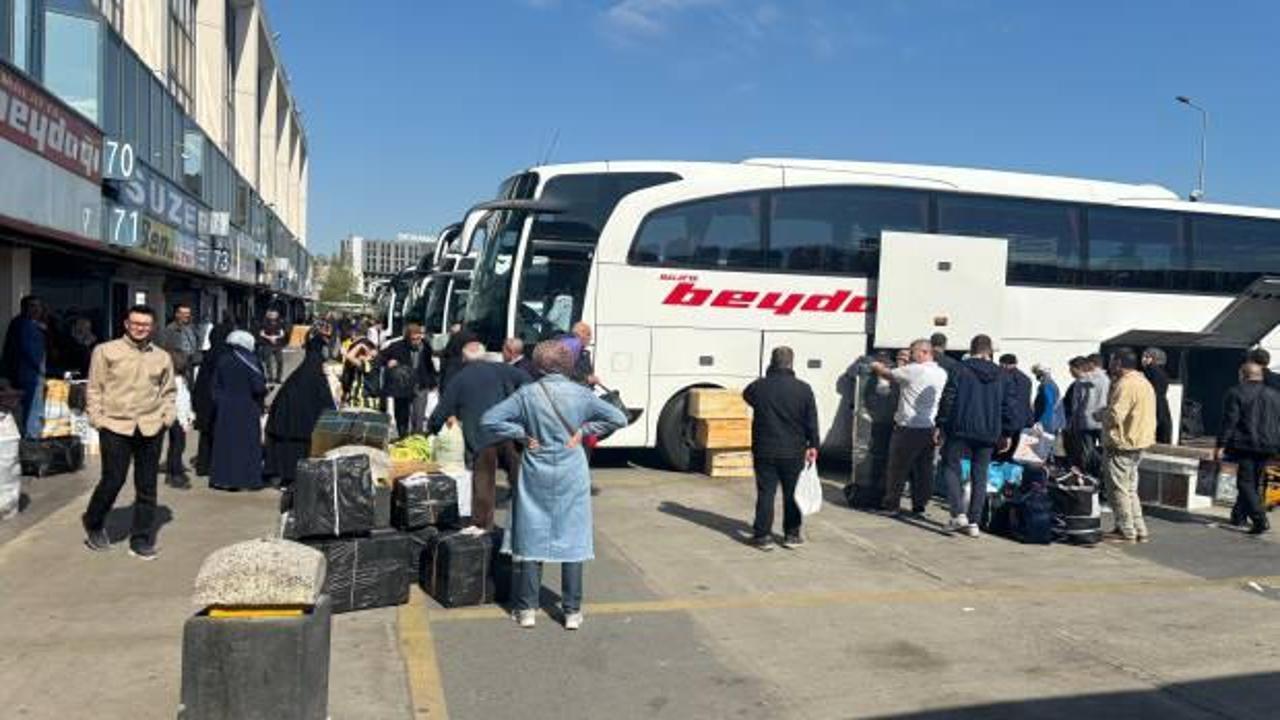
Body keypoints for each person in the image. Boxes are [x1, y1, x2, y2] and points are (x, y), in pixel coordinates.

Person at [479, 340, 627, 630]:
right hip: (572, 470)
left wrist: (521, 434)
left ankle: (527, 609)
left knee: (531, 534)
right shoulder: (581, 393)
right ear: (568, 365)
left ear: (537, 365)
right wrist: (584, 430)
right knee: (573, 537)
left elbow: (489, 419)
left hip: (536, 468)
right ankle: (572, 611)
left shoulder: (527, 393)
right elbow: (619, 418)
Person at [81, 305, 175, 559]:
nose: (140, 328)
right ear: (126, 324)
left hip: (150, 426)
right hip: (115, 425)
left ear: (152, 327)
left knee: (147, 485)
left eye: (145, 324)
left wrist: (167, 417)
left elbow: (168, 391)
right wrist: (97, 418)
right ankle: (93, 521)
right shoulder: (105, 351)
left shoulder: (162, 357)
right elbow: (94, 388)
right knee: (113, 479)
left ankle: (141, 538)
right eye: (135, 323)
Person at [428, 341, 532, 529]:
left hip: (481, 437)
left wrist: (433, 428)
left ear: (464, 358)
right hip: (509, 432)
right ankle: (527, 521)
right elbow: (527, 381)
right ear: (484, 356)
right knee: (519, 480)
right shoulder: (502, 369)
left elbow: (443, 408)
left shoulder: (460, 378)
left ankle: (483, 528)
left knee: (484, 484)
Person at [742, 346, 820, 550]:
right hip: (793, 450)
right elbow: (811, 420)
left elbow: (747, 396)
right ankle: (791, 535)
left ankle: (762, 536)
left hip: (764, 449)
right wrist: (813, 444)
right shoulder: (803, 389)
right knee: (792, 493)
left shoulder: (759, 387)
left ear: (771, 362)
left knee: (766, 493)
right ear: (791, 363)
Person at [936, 334, 1011, 537]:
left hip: (960, 427)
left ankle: (958, 513)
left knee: (950, 466)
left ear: (971, 349)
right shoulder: (1002, 374)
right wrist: (1006, 433)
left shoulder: (959, 369)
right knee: (980, 474)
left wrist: (941, 424)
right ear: (990, 351)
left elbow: (949, 397)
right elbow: (1007, 405)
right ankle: (974, 522)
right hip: (989, 431)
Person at [870, 339, 948, 516]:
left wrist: (875, 365)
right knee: (924, 470)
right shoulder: (941, 373)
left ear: (924, 352)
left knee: (898, 468)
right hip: (928, 427)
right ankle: (920, 505)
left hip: (908, 427)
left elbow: (887, 374)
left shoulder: (915, 370)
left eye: (913, 352)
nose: (911, 356)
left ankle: (891, 505)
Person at [1098, 348, 1157, 544]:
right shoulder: (1143, 382)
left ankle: (1126, 530)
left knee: (1118, 489)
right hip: (1139, 441)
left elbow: (1115, 415)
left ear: (1118, 363)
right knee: (1130, 489)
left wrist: (1100, 415)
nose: (1109, 365)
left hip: (1122, 443)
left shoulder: (1125, 384)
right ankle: (1139, 528)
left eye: (1111, 361)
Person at [264, 334, 337, 487]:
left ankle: (286, 479)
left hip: (288, 428)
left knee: (289, 455)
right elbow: (326, 403)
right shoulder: (317, 377)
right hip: (307, 431)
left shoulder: (296, 376)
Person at [1217, 361, 1280, 535]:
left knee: (1245, 483)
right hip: (1269, 445)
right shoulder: (1275, 395)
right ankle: (1239, 516)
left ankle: (1260, 519)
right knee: (1254, 482)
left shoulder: (1235, 392)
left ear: (1242, 375)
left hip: (1245, 444)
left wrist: (1221, 444)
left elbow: (1230, 421)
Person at [210, 330, 267, 491]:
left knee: (226, 445)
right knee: (247, 446)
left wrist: (221, 402)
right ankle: (248, 480)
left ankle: (223, 479)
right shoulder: (251, 360)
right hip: (247, 408)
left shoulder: (223, 359)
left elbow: (215, 386)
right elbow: (258, 387)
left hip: (226, 408)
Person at [157, 304, 202, 490]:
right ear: (175, 314)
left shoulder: (191, 329)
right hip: (174, 371)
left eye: (188, 314)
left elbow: (195, 347)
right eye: (182, 313)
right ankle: (173, 471)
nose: (186, 316)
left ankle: (174, 465)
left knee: (179, 437)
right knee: (176, 435)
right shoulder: (168, 331)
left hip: (186, 371)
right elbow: (163, 352)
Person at [379, 323, 439, 437]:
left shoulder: (425, 346)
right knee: (402, 413)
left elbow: (429, 365)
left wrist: (433, 381)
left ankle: (417, 437)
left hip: (420, 384)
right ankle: (403, 436)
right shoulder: (397, 346)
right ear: (407, 338)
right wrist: (388, 362)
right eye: (413, 339)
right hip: (402, 384)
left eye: (418, 338)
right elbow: (381, 356)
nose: (416, 342)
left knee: (419, 415)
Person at [1, 296, 48, 438]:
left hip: (24, 372)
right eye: (32, 306)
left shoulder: (25, 323)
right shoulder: (26, 324)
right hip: (29, 373)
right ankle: (30, 435)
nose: (36, 309)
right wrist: (40, 368)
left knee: (27, 406)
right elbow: (29, 350)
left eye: (38, 306)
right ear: (24, 308)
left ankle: (28, 433)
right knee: (31, 405)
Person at [192, 322, 232, 477]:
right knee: (221, 435)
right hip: (220, 401)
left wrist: (196, 402)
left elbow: (200, 381)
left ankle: (203, 466)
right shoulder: (228, 356)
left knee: (205, 436)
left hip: (205, 400)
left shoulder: (208, 355)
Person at [996, 354, 1033, 461]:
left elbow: (1006, 402)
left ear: (1003, 364)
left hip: (1007, 421)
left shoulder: (1003, 378)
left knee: (1002, 454)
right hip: (1023, 421)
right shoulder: (1026, 379)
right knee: (1017, 453)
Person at [1142, 347, 1173, 444]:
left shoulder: (1151, 370)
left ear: (1153, 359)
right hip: (1162, 406)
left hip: (1153, 406)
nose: (1143, 359)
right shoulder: (1162, 372)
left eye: (1147, 357)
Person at [341, 337, 381, 410]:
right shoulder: (358, 366)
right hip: (355, 401)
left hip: (366, 402)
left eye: (358, 353)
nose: (357, 356)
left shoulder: (371, 364)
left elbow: (349, 356)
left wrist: (360, 345)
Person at [439, 324, 478, 391]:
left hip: (454, 363)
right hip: (468, 363)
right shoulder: (473, 336)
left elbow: (448, 351)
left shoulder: (456, 336)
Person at [563, 321, 599, 386]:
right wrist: (587, 379)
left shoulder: (584, 353)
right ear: (580, 334)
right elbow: (567, 371)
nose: (590, 338)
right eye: (588, 334)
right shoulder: (568, 349)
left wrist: (591, 379)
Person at [256, 309, 286, 384]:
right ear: (269, 315)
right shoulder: (264, 323)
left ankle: (278, 378)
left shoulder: (280, 322)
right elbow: (261, 333)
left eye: (275, 314)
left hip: (278, 344)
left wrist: (275, 337)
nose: (273, 316)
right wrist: (269, 338)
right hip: (267, 344)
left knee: (280, 361)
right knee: (268, 362)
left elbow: (282, 333)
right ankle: (270, 378)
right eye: (272, 314)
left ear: (277, 315)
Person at [1031, 364, 1063, 434]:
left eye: (1038, 375)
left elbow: (1049, 404)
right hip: (1052, 421)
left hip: (1047, 421)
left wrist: (1040, 421)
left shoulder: (1046, 385)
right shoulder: (1051, 384)